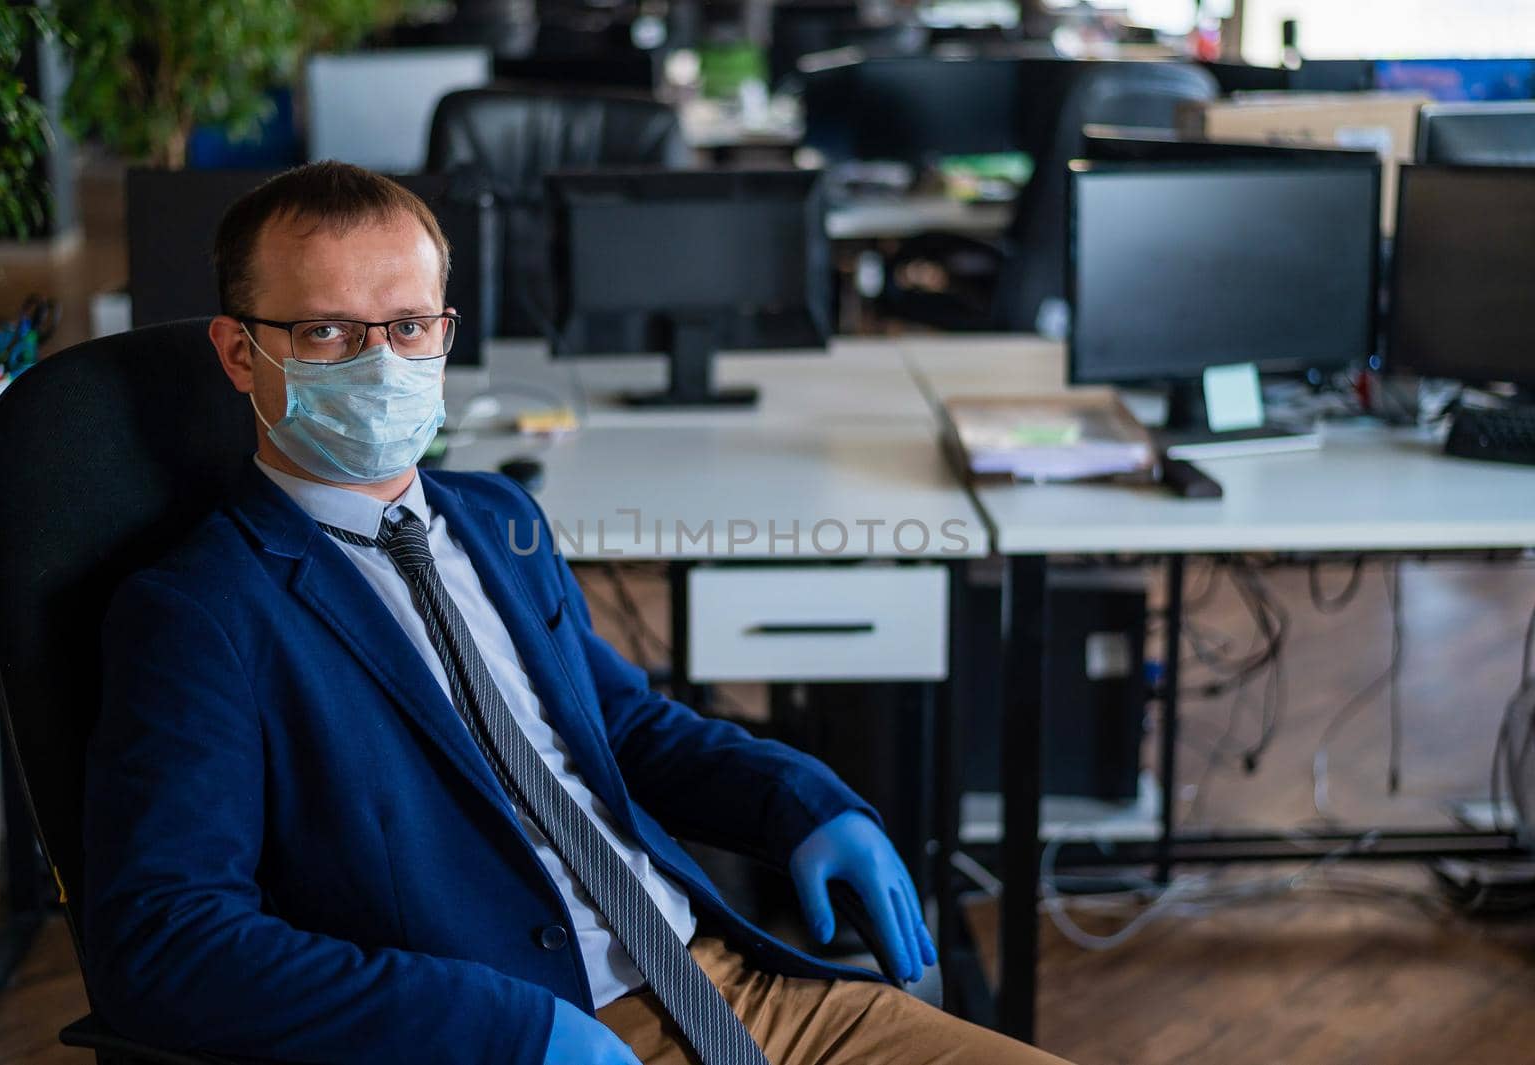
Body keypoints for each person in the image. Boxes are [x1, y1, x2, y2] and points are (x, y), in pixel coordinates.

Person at [81, 162, 1071, 1065]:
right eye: (328, 331)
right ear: (240, 354)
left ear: (445, 333)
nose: (379, 363)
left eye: (409, 326)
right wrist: (503, 1032)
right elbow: (168, 943)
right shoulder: (199, 611)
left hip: (727, 981)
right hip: (515, 1034)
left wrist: (800, 803)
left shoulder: (497, 518)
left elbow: (622, 729)